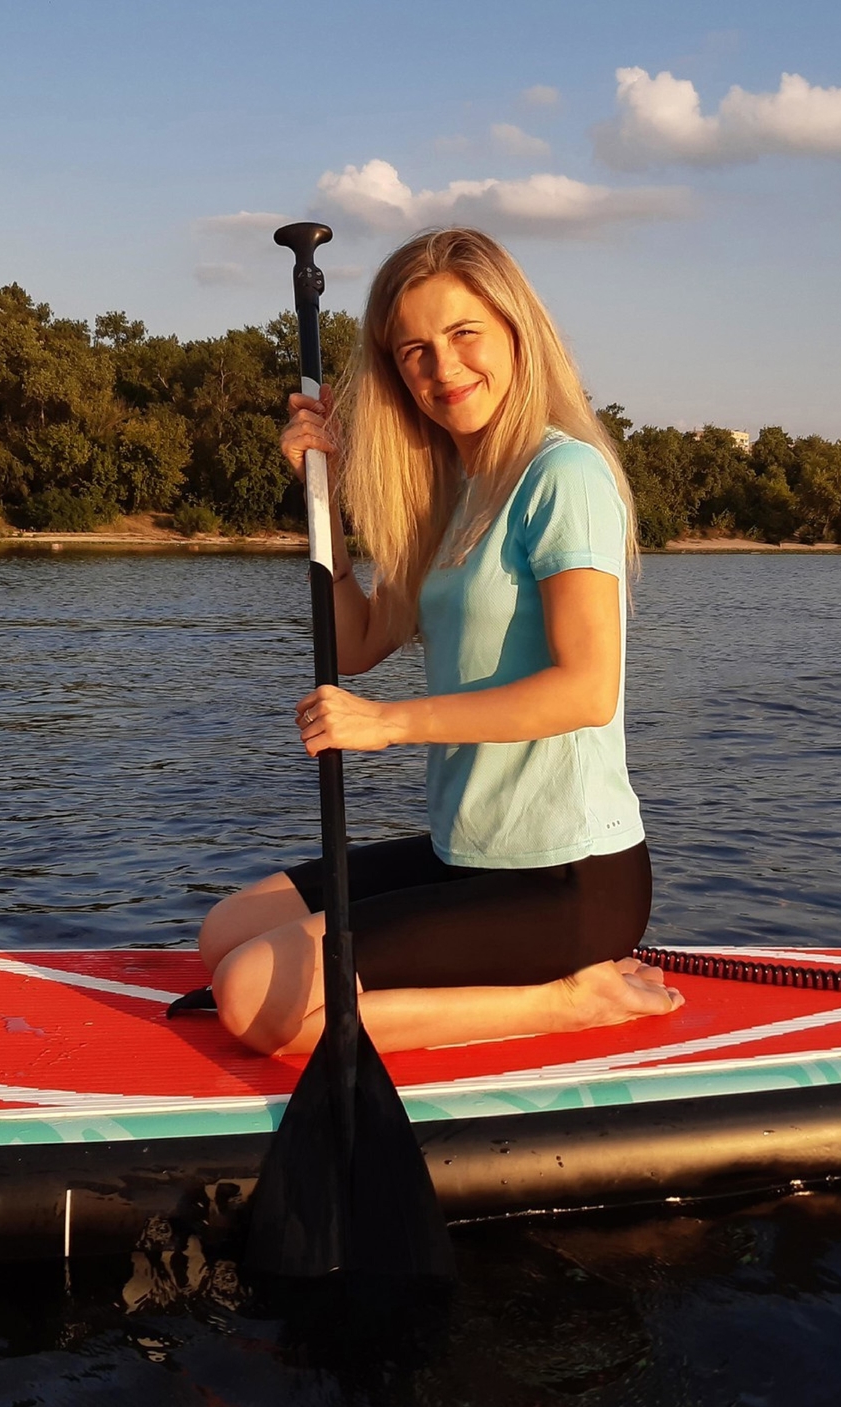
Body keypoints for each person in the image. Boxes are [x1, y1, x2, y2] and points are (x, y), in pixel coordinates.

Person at [198, 227, 683, 1057]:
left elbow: (584, 689)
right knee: (227, 932)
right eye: (414, 350)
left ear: (516, 332)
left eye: (465, 336)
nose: (443, 368)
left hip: (569, 875)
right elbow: (356, 644)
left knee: (252, 998)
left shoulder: (562, 476)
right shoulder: (451, 498)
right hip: (470, 852)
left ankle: (573, 997)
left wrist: (386, 723)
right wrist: (325, 496)